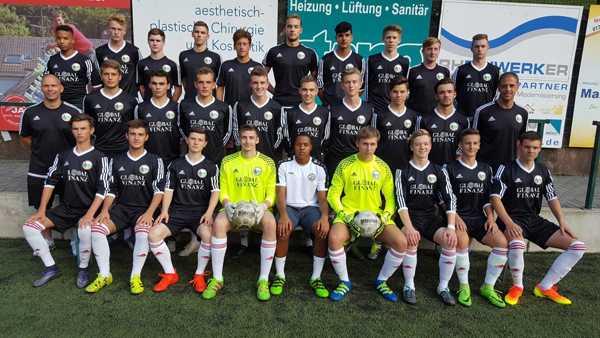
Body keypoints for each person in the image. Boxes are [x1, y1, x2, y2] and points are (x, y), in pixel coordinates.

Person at [491, 131, 586, 306]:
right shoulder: (506, 168)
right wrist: (509, 223)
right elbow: (495, 198)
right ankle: (517, 286)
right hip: (511, 219)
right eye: (527, 147)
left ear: (540, 149)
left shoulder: (543, 171)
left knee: (577, 247)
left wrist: (562, 222)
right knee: (517, 244)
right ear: (519, 146)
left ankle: (545, 286)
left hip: (534, 220)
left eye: (535, 148)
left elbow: (552, 197)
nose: (531, 151)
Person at [22, 114, 109, 288]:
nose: (79, 132)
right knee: (29, 227)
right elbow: (50, 182)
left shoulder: (101, 157)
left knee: (85, 230)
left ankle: (83, 269)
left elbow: (103, 189)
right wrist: (41, 210)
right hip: (66, 208)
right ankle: (51, 267)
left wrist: (90, 214)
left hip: (89, 209)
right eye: (75, 129)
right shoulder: (63, 156)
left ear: (91, 130)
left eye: (83, 128)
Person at [327, 127, 407, 302]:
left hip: (376, 217)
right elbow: (333, 194)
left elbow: (390, 198)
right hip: (348, 214)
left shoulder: (383, 167)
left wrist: (385, 216)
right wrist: (343, 214)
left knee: (401, 243)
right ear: (357, 144)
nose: (369, 148)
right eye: (365, 144)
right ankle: (344, 281)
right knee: (334, 239)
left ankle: (382, 281)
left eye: (372, 144)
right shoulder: (345, 164)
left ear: (377, 145)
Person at [201, 125, 277, 301]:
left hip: (258, 209)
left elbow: (271, 193)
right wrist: (227, 204)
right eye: (244, 137)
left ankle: (263, 279)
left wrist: (263, 206)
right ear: (238, 139)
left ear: (257, 140)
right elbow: (223, 189)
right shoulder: (228, 161)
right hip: (233, 208)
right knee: (219, 223)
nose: (247, 141)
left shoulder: (268, 162)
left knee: (271, 223)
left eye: (251, 138)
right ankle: (217, 278)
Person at [88, 119, 164, 294]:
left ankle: (135, 277)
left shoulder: (155, 161)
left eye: (140, 135)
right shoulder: (115, 160)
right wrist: (105, 210)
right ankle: (104, 275)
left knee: (144, 232)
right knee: (97, 229)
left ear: (146, 137)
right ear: (126, 136)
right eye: (132, 134)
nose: (136, 138)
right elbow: (111, 190)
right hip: (121, 208)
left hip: (143, 209)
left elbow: (159, 191)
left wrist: (149, 213)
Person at [147, 128, 220, 293]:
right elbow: (169, 189)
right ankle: (170, 273)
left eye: (199, 140)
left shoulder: (211, 166)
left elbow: (216, 192)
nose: (195, 142)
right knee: (153, 234)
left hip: (200, 213)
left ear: (205, 143)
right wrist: (164, 211)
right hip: (177, 212)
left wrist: (209, 213)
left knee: (208, 236)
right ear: (187, 140)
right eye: (192, 138)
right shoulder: (176, 164)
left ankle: (199, 274)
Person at [445, 129, 509, 308]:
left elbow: (488, 199)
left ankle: (488, 286)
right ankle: (464, 286)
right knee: (462, 242)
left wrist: (490, 217)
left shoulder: (486, 169)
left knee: (502, 243)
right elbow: (444, 198)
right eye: (467, 143)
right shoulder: (448, 168)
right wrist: (455, 216)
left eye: (475, 143)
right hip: (458, 217)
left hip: (479, 218)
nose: (471, 146)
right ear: (460, 145)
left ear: (479, 145)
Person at [395, 129, 458, 305]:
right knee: (411, 240)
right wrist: (408, 227)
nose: (422, 147)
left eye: (425, 144)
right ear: (412, 147)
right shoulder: (402, 171)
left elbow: (449, 198)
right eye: (418, 144)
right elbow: (401, 202)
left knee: (450, 240)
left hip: (431, 218)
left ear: (430, 146)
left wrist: (451, 228)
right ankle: (409, 285)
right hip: (410, 218)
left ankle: (443, 287)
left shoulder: (439, 170)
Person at [272, 134, 330, 298]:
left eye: (305, 145)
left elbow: (322, 198)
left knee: (322, 230)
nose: (302, 147)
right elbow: (280, 195)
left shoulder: (319, 167)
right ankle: (280, 275)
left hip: (310, 209)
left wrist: (325, 217)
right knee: (282, 229)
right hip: (289, 207)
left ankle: (316, 277)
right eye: (298, 144)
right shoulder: (283, 165)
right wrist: (283, 215)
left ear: (311, 147)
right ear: (294, 146)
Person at [20, 74, 81, 209]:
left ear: (61, 88)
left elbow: (82, 139)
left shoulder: (74, 112)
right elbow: (25, 138)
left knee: (70, 210)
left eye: (53, 85)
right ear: (41, 88)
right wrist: (40, 149)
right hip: (39, 169)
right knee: (41, 212)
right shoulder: (30, 112)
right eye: (46, 86)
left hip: (67, 169)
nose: (50, 89)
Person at [324, 68, 374, 179]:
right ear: (342, 85)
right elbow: (326, 137)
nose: (351, 86)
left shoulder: (369, 109)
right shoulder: (332, 108)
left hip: (360, 160)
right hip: (336, 161)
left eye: (354, 82)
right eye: (347, 82)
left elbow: (372, 137)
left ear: (361, 83)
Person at [473, 72, 528, 170]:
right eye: (504, 86)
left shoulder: (523, 113)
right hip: (486, 167)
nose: (508, 89)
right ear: (498, 87)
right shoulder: (482, 111)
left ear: (517, 87)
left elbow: (521, 142)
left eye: (512, 86)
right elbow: (472, 140)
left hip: (511, 169)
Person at [83, 59, 137, 158]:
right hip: (98, 150)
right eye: (106, 74)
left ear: (120, 77)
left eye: (114, 74)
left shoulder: (131, 100)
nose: (110, 77)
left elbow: (134, 128)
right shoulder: (90, 99)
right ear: (101, 76)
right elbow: (86, 126)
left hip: (123, 151)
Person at [179, 67, 232, 164]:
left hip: (215, 157)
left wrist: (216, 146)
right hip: (192, 158)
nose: (204, 86)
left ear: (214, 85)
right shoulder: (185, 105)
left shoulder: (224, 107)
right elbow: (181, 128)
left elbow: (227, 132)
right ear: (195, 84)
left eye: (208, 82)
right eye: (201, 82)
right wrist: (191, 143)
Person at [263, 14, 318, 107]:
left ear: (301, 30)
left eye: (296, 27)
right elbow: (262, 76)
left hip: (301, 104)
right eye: (289, 26)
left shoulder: (310, 53)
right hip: (279, 103)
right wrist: (274, 91)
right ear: (285, 29)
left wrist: (307, 94)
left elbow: (315, 79)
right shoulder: (273, 51)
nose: (292, 29)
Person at [233, 67, 283, 160]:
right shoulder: (240, 106)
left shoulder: (276, 107)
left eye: (262, 83)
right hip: (246, 157)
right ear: (250, 84)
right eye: (255, 83)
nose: (259, 86)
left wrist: (272, 150)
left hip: (268, 158)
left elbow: (280, 134)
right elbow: (236, 131)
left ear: (267, 84)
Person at [46, 25, 101, 109]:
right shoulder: (52, 60)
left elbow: (97, 85)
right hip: (59, 105)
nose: (62, 41)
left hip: (88, 52)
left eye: (65, 39)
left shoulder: (85, 60)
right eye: (58, 38)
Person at [416, 78, 469, 165]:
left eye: (449, 92)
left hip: (455, 170)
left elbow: (466, 147)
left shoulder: (464, 120)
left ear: (454, 94)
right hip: (431, 170)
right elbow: (417, 146)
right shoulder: (424, 120)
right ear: (436, 96)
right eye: (442, 92)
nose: (446, 95)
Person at [134, 71, 180, 165]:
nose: (158, 87)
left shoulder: (177, 108)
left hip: (172, 160)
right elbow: (136, 135)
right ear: (149, 85)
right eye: (154, 83)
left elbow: (182, 137)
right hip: (148, 161)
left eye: (161, 84)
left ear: (168, 86)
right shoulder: (140, 108)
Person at [373, 76, 417, 174]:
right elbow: (373, 141)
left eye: (402, 92)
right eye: (395, 91)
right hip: (382, 166)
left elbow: (416, 144)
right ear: (389, 93)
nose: (398, 95)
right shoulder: (378, 115)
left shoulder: (414, 116)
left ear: (407, 93)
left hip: (406, 167)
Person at [281, 75, 330, 160]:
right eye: (304, 90)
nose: (308, 93)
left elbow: (326, 138)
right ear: (299, 91)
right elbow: (286, 138)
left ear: (317, 91)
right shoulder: (290, 113)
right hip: (295, 160)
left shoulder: (325, 112)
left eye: (311, 90)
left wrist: (320, 153)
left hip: (316, 161)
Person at [452, 34, 500, 117]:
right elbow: (451, 93)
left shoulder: (495, 71)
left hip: (486, 117)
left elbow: (498, 96)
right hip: (464, 117)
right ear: (471, 49)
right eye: (477, 46)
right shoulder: (461, 70)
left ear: (488, 47)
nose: (480, 49)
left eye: (483, 46)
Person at [318, 21, 365, 107]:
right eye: (340, 35)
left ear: (352, 37)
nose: (344, 39)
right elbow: (319, 87)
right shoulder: (325, 59)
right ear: (336, 38)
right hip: (330, 107)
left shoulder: (359, 60)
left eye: (347, 35)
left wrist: (350, 101)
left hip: (350, 107)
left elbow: (361, 87)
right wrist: (328, 103)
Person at [366, 25, 410, 114]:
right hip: (375, 107)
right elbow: (367, 85)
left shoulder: (404, 62)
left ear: (399, 40)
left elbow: (405, 87)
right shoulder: (372, 59)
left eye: (394, 38)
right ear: (383, 39)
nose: (391, 40)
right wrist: (368, 105)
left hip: (395, 108)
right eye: (388, 37)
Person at [95, 14, 141, 97]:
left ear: (124, 31)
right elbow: (96, 80)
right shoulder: (99, 52)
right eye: (113, 29)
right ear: (108, 29)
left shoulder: (134, 51)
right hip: (107, 100)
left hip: (129, 100)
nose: (116, 32)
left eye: (120, 29)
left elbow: (141, 78)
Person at [216, 29, 262, 107]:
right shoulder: (226, 65)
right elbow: (220, 88)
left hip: (251, 111)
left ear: (250, 46)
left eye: (244, 44)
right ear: (234, 46)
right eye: (239, 44)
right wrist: (220, 107)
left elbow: (261, 90)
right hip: (230, 110)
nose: (241, 47)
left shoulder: (257, 67)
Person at [407, 37, 450, 116]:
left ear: (439, 51)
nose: (432, 52)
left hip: (437, 116)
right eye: (429, 49)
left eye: (435, 49)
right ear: (423, 51)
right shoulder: (412, 71)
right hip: (416, 116)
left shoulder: (444, 72)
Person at [179, 21, 221, 100]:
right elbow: (184, 79)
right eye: (197, 32)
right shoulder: (184, 55)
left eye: (203, 33)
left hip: (210, 103)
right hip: (190, 101)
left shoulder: (215, 57)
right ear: (192, 34)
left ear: (207, 36)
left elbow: (218, 84)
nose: (199, 35)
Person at [137, 28, 181, 102]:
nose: (155, 43)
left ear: (163, 42)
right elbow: (141, 86)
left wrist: (171, 105)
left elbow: (178, 88)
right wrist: (148, 102)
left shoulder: (172, 65)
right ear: (148, 42)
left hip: (167, 109)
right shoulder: (141, 64)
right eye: (152, 40)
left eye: (158, 41)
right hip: (148, 107)